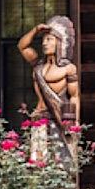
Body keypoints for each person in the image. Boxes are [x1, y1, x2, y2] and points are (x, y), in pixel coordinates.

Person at [17, 16, 79, 163]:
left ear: (59, 42)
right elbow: (22, 46)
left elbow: (75, 96)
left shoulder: (68, 68)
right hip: (39, 119)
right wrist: (35, 30)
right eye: (43, 40)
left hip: (60, 119)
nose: (44, 43)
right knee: (38, 161)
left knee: (61, 162)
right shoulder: (37, 65)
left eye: (49, 39)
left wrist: (75, 123)